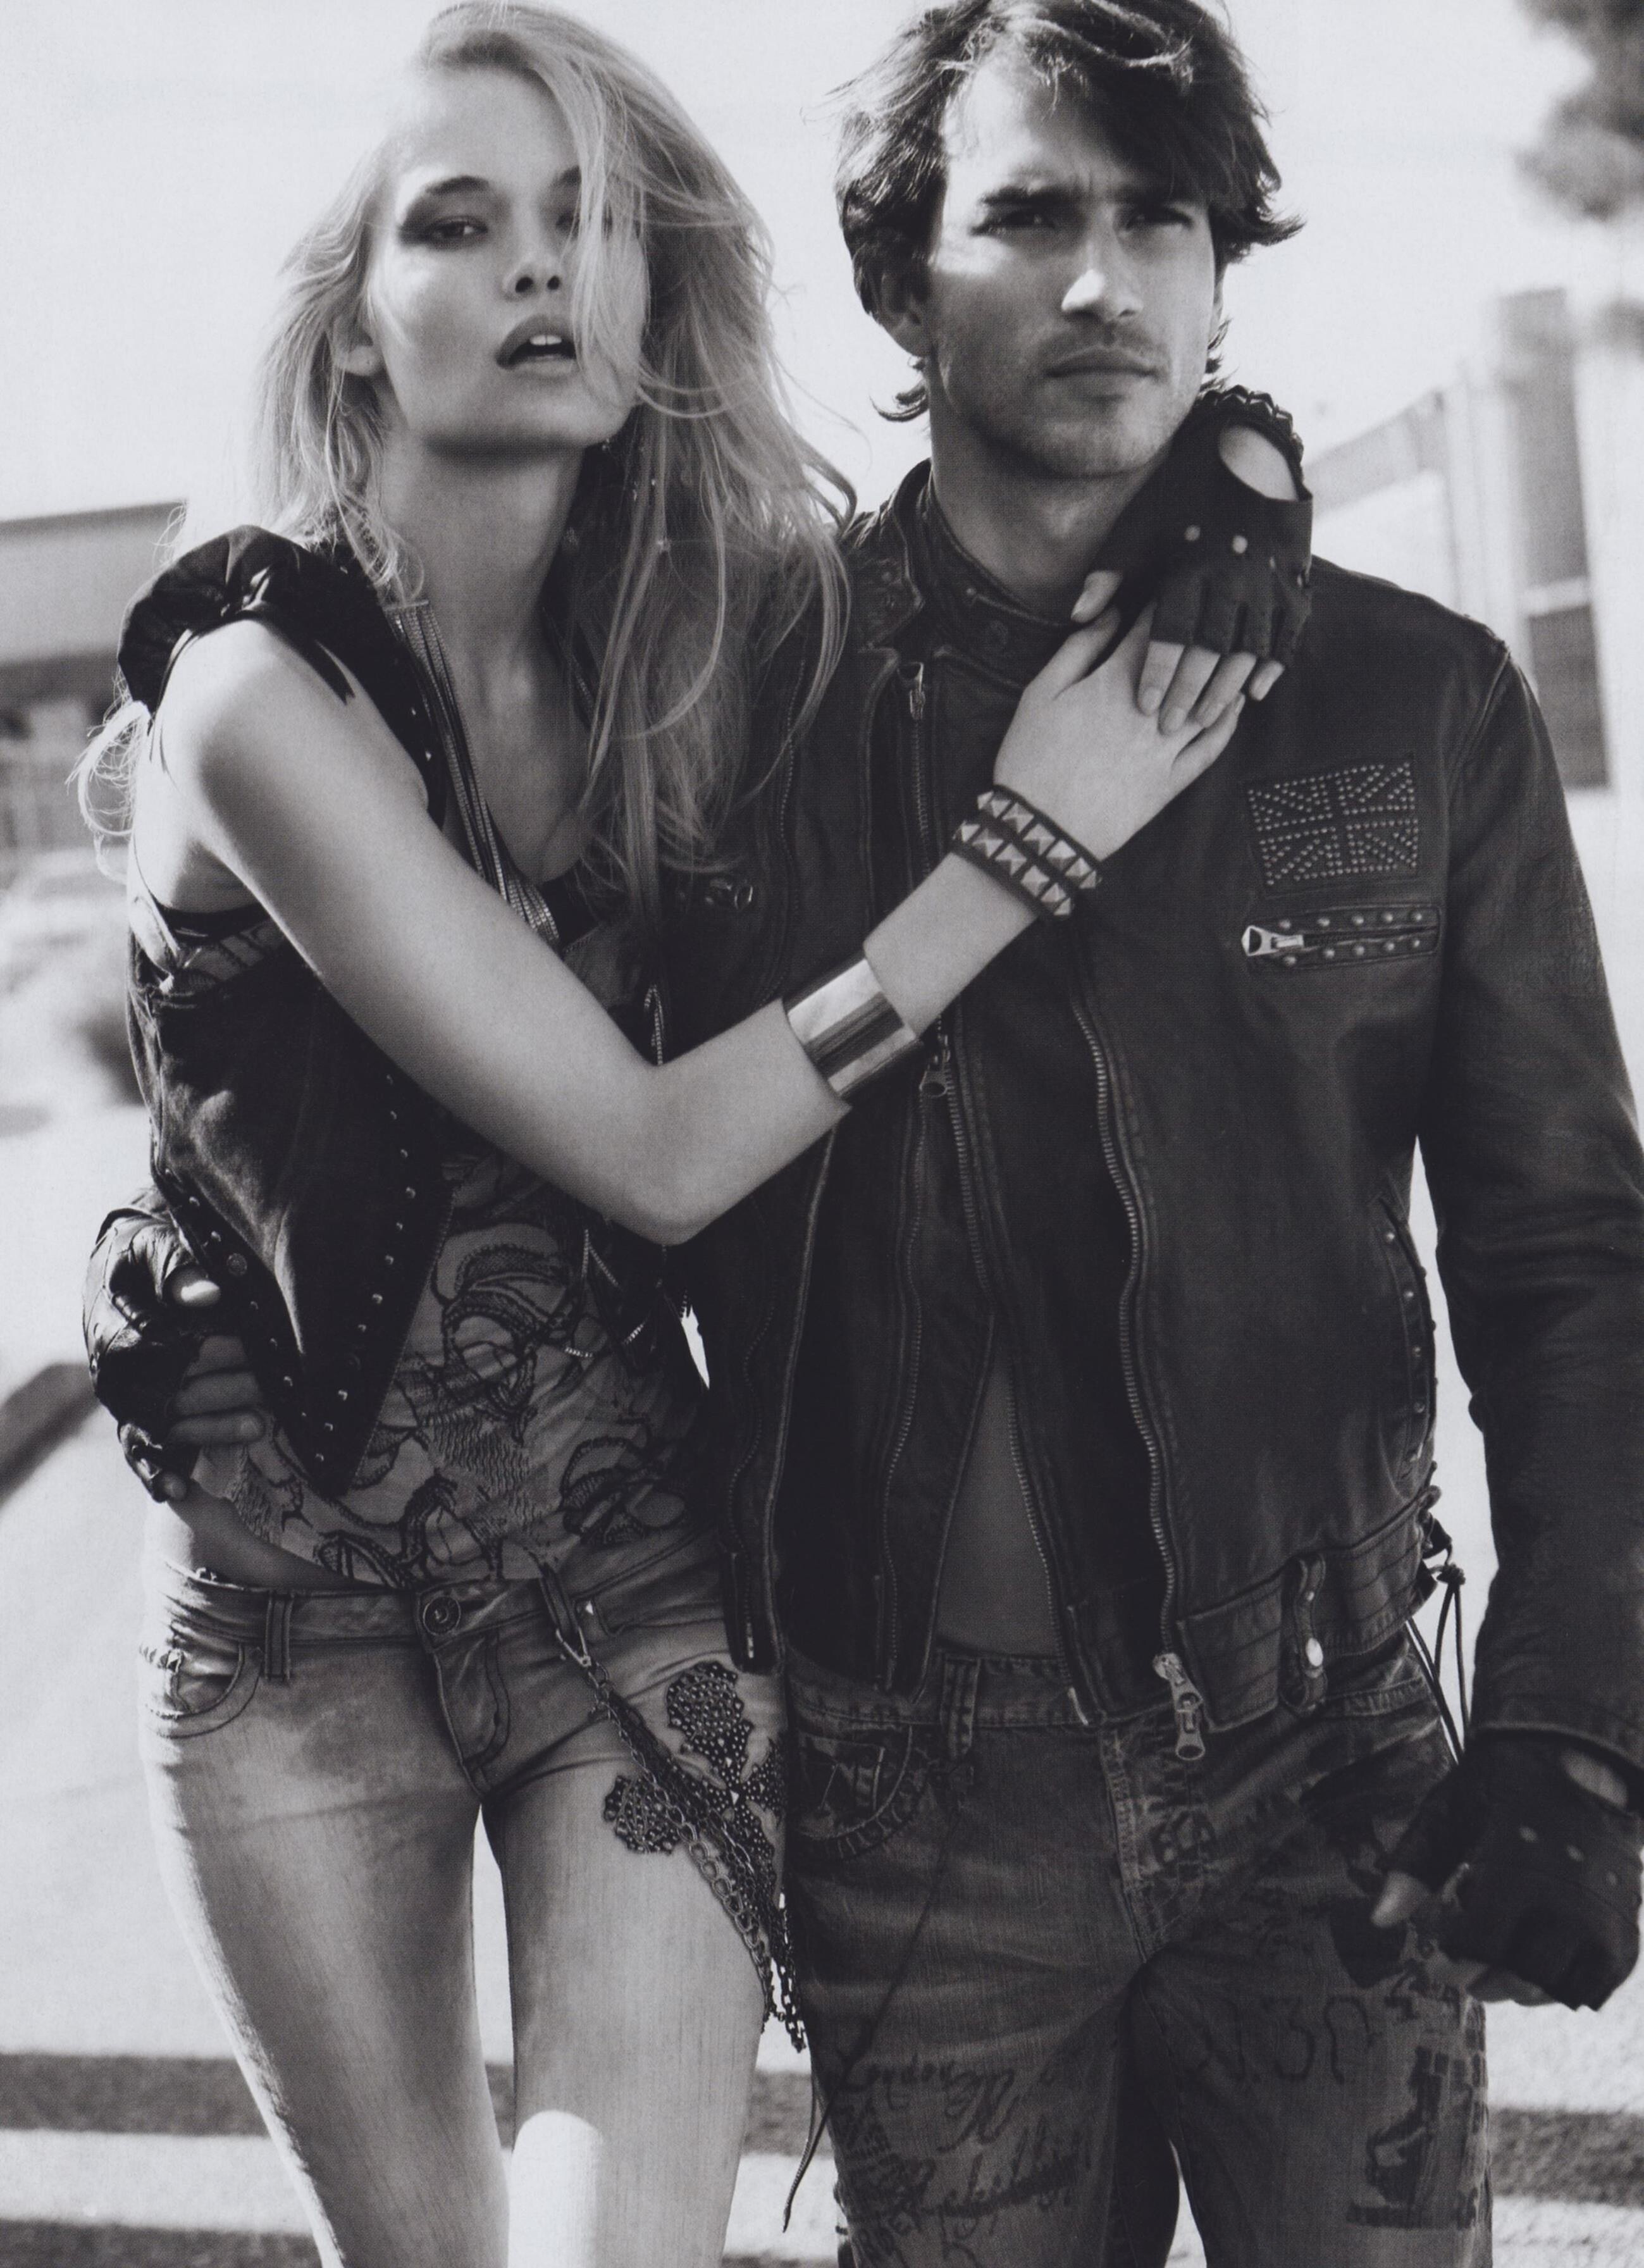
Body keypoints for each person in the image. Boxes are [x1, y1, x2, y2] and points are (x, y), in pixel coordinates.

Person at [70, 6, 1297, 2265]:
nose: (541, 267)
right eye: (462, 224)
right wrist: (1022, 851)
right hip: (287, 1645)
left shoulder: (712, 642)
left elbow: (1016, 525)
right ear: (356, 326)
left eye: (591, 222)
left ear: (655, 294)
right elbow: (647, 1150)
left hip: (630, 1596)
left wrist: (1243, 453)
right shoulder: (254, 688)